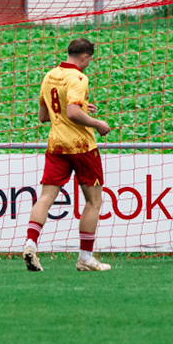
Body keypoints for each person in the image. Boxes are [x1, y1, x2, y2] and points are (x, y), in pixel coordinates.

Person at [24, 38, 112, 273]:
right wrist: (97, 123)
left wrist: (82, 108)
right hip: (82, 147)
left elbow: (44, 116)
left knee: (45, 197)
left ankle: (31, 244)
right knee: (94, 202)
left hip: (56, 146)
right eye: (90, 59)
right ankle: (85, 258)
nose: (89, 63)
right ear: (84, 57)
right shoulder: (79, 78)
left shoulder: (50, 75)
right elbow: (72, 113)